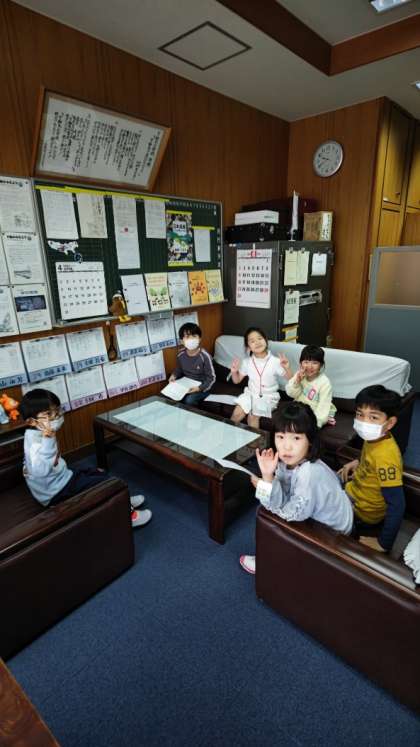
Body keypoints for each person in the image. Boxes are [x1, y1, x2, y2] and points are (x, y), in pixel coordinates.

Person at [240, 402, 353, 574]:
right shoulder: (289, 461)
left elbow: (292, 513)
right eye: (280, 437)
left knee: (269, 518)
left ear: (310, 440)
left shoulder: (309, 473)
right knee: (267, 509)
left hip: (334, 533)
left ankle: (267, 562)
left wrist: (266, 486)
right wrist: (268, 477)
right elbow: (284, 494)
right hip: (323, 514)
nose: (286, 446)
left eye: (296, 438)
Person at [20, 388, 152, 528]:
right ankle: (129, 516)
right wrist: (48, 438)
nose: (56, 416)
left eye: (57, 411)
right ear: (31, 421)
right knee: (105, 484)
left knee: (98, 472)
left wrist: (48, 437)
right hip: (55, 492)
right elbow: (40, 471)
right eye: (48, 414)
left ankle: (123, 499)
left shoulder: (39, 432)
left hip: (60, 477)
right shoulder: (35, 444)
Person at [338, 385, 405, 553]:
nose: (364, 422)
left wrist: (383, 544)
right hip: (354, 491)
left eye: (373, 417)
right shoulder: (376, 437)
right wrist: (357, 462)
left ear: (390, 423)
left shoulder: (386, 457)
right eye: (360, 414)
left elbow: (397, 505)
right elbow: (371, 457)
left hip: (362, 513)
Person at [230, 327, 290, 429]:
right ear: (248, 347)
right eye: (252, 341)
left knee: (253, 416)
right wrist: (234, 372)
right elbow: (236, 381)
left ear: (265, 341)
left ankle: (255, 440)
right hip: (250, 394)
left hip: (268, 397)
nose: (257, 342)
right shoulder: (247, 362)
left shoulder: (276, 361)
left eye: (260, 338)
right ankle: (228, 436)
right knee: (236, 414)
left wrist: (287, 368)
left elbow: (291, 379)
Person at [285, 345, 336, 427]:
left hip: (313, 413)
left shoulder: (325, 383)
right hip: (299, 410)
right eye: (306, 362)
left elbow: (322, 408)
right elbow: (291, 394)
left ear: (321, 365)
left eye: (314, 363)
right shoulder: (299, 375)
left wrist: (315, 425)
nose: (310, 366)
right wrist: (297, 382)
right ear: (301, 363)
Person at [169, 322, 216, 406]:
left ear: (199, 339)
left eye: (194, 336)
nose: (191, 339)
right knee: (171, 394)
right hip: (186, 384)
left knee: (189, 400)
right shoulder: (180, 354)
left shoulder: (205, 356)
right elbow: (179, 369)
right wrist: (174, 376)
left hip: (203, 387)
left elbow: (211, 378)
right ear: (182, 341)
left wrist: (199, 388)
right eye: (187, 337)